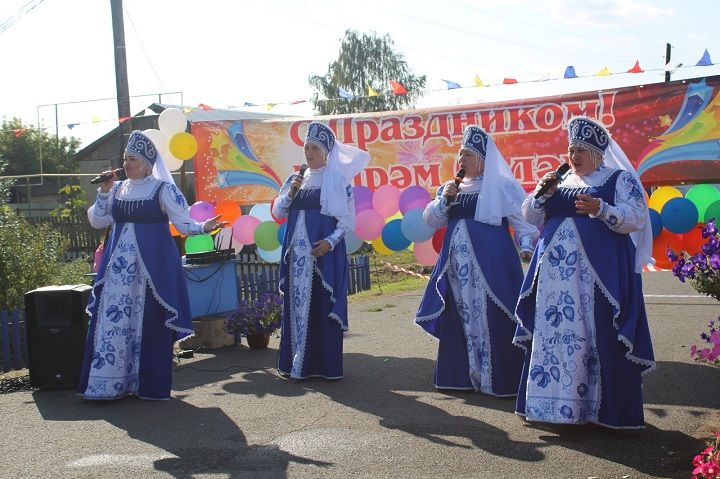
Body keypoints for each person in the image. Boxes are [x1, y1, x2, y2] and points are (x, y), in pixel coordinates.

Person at [513, 116, 655, 428]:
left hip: (596, 279)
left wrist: (600, 209)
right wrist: (541, 193)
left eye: (581, 149)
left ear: (598, 153)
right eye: (571, 149)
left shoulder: (618, 180)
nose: (574, 156)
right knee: (555, 340)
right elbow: (530, 215)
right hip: (553, 283)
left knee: (596, 336)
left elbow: (635, 219)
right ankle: (550, 407)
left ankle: (600, 412)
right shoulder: (558, 181)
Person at [79, 130, 227, 400]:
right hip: (118, 273)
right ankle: (108, 384)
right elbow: (98, 221)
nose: (126, 164)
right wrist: (103, 192)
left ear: (147, 163)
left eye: (133, 159)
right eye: (125, 158)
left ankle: (146, 384)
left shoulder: (163, 189)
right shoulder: (118, 189)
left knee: (147, 322)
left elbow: (183, 224)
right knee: (115, 323)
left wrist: (205, 226)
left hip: (149, 273)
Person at [415, 125, 539, 396]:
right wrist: (444, 201)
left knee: (494, 315)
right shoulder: (451, 187)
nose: (462, 160)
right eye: (460, 155)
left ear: (483, 159)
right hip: (457, 268)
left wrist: (527, 247)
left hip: (493, 264)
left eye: (468, 155)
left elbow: (525, 224)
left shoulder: (502, 186)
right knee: (461, 315)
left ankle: (499, 380)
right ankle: (465, 377)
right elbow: (431, 221)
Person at [272, 122, 369, 379]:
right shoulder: (295, 180)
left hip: (323, 254)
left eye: (314, 147)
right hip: (297, 257)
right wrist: (290, 193)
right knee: (297, 306)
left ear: (326, 152)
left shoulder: (338, 181)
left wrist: (330, 242)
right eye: (306, 147)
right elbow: (278, 212)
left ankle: (322, 366)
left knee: (321, 306)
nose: (309, 152)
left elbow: (347, 222)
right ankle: (295, 362)